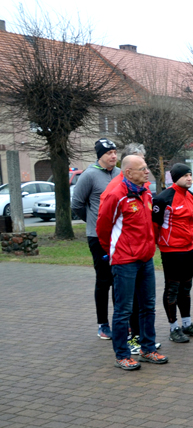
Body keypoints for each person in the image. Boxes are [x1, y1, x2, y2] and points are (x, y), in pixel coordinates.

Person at [95, 155, 168, 370]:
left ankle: (148, 349)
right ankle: (122, 355)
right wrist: (115, 251)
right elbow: (103, 228)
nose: (147, 172)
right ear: (128, 172)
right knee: (124, 310)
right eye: (142, 169)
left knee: (148, 306)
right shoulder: (115, 194)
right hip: (125, 261)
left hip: (146, 259)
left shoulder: (144, 191)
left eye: (147, 168)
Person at [152, 163, 193, 343]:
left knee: (186, 287)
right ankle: (173, 327)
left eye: (191, 175)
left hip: (189, 249)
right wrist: (159, 245)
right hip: (171, 251)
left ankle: (187, 323)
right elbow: (154, 225)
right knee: (172, 289)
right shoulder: (163, 199)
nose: (190, 178)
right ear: (176, 177)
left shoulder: (191, 197)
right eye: (185, 176)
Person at [71, 138, 119, 341]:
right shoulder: (89, 175)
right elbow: (77, 205)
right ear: (100, 155)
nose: (114, 156)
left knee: (119, 279)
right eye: (109, 153)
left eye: (115, 152)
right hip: (97, 236)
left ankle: (120, 323)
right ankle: (103, 325)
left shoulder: (119, 174)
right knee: (104, 280)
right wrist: (94, 222)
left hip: (117, 236)